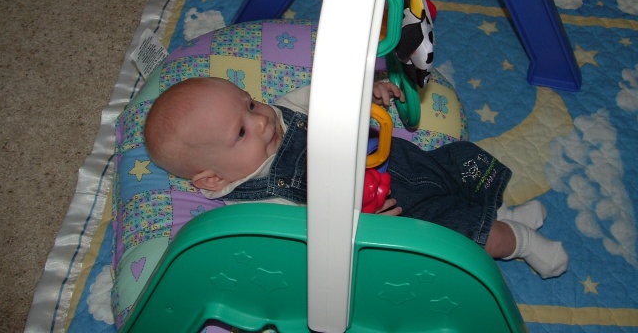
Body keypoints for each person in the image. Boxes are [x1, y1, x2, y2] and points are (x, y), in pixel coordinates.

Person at [145, 76, 568, 279]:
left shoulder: (285, 111)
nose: (260, 122)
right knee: (473, 239)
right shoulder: (259, 208)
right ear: (212, 179)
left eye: (250, 104)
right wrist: (365, 232)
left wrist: (370, 92)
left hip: (411, 165)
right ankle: (523, 242)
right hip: (403, 217)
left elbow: (333, 93)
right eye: (239, 133)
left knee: (460, 174)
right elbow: (316, 246)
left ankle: (507, 212)